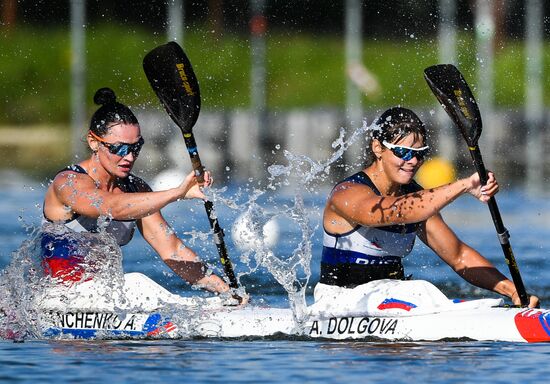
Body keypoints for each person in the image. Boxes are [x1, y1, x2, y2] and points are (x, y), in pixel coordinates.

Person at [313, 107, 539, 314]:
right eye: (402, 152)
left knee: (472, 303)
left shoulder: (416, 198)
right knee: (421, 290)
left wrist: (511, 290)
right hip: (339, 302)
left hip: (388, 297)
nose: (412, 161)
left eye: (420, 153)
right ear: (378, 148)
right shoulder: (347, 193)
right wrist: (464, 185)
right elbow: (391, 212)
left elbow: (459, 256)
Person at [40, 87, 242, 310]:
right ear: (93, 142)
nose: (129, 156)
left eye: (136, 147)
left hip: (104, 303)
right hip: (56, 303)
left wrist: (225, 291)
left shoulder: (135, 188)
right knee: (138, 284)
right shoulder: (68, 183)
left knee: (143, 289)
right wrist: (177, 193)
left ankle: (217, 308)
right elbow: (110, 206)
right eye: (119, 148)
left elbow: (172, 249)